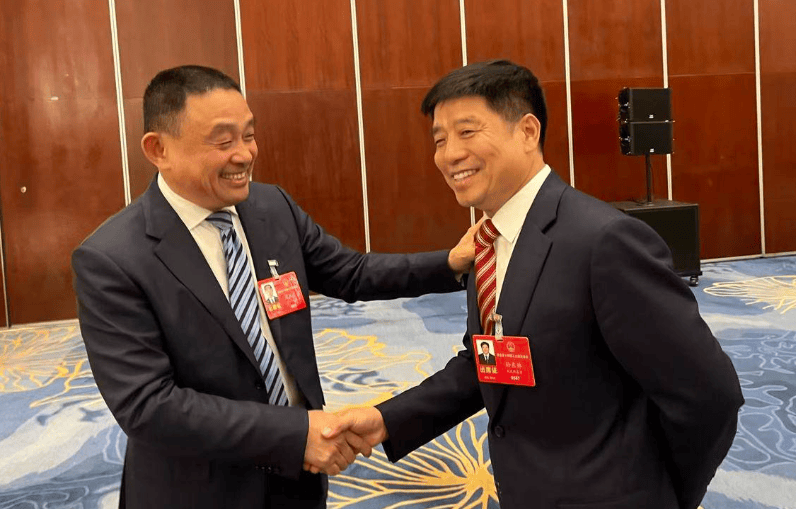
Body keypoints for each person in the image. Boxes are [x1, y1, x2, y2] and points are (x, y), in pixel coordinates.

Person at [325, 60, 744, 509]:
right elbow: (488, 360)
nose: (449, 155)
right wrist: (386, 419)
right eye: (440, 139)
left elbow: (708, 395)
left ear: (527, 132)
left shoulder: (604, 241)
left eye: (467, 132)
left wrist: (664, 493)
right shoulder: (489, 239)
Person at [71, 65, 478, 509]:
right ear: (159, 149)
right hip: (203, 487)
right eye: (223, 142)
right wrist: (295, 434)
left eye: (249, 135)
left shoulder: (271, 206)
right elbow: (149, 405)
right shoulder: (113, 259)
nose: (245, 154)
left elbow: (351, 272)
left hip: (299, 475)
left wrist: (448, 263)